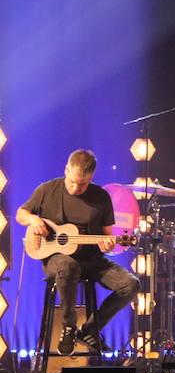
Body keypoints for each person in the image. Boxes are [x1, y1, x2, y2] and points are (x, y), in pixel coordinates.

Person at [16, 150, 140, 355]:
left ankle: (89, 330)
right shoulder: (47, 190)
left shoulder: (101, 197)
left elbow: (109, 237)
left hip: (92, 260)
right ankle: (68, 327)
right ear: (66, 170)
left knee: (131, 285)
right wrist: (34, 219)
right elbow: (22, 213)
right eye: (73, 181)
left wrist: (109, 245)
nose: (76, 188)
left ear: (92, 178)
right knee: (68, 265)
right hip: (56, 260)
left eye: (82, 184)